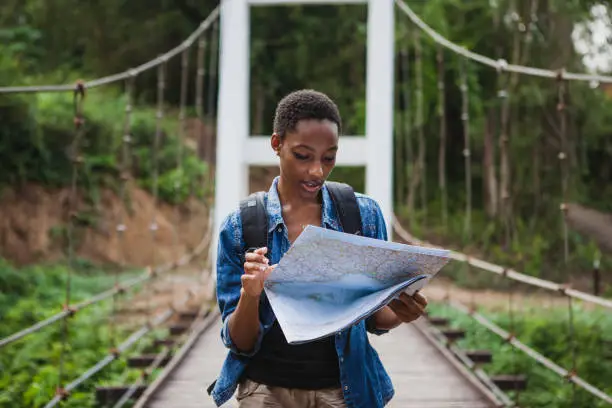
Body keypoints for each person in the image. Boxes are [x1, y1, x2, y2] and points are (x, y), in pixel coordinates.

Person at [208, 89, 428, 408]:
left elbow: (376, 317)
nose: (317, 172)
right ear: (276, 144)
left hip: (345, 391)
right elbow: (240, 342)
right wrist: (250, 295)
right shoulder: (241, 226)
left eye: (329, 158)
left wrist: (401, 312)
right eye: (303, 155)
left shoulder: (362, 216)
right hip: (265, 392)